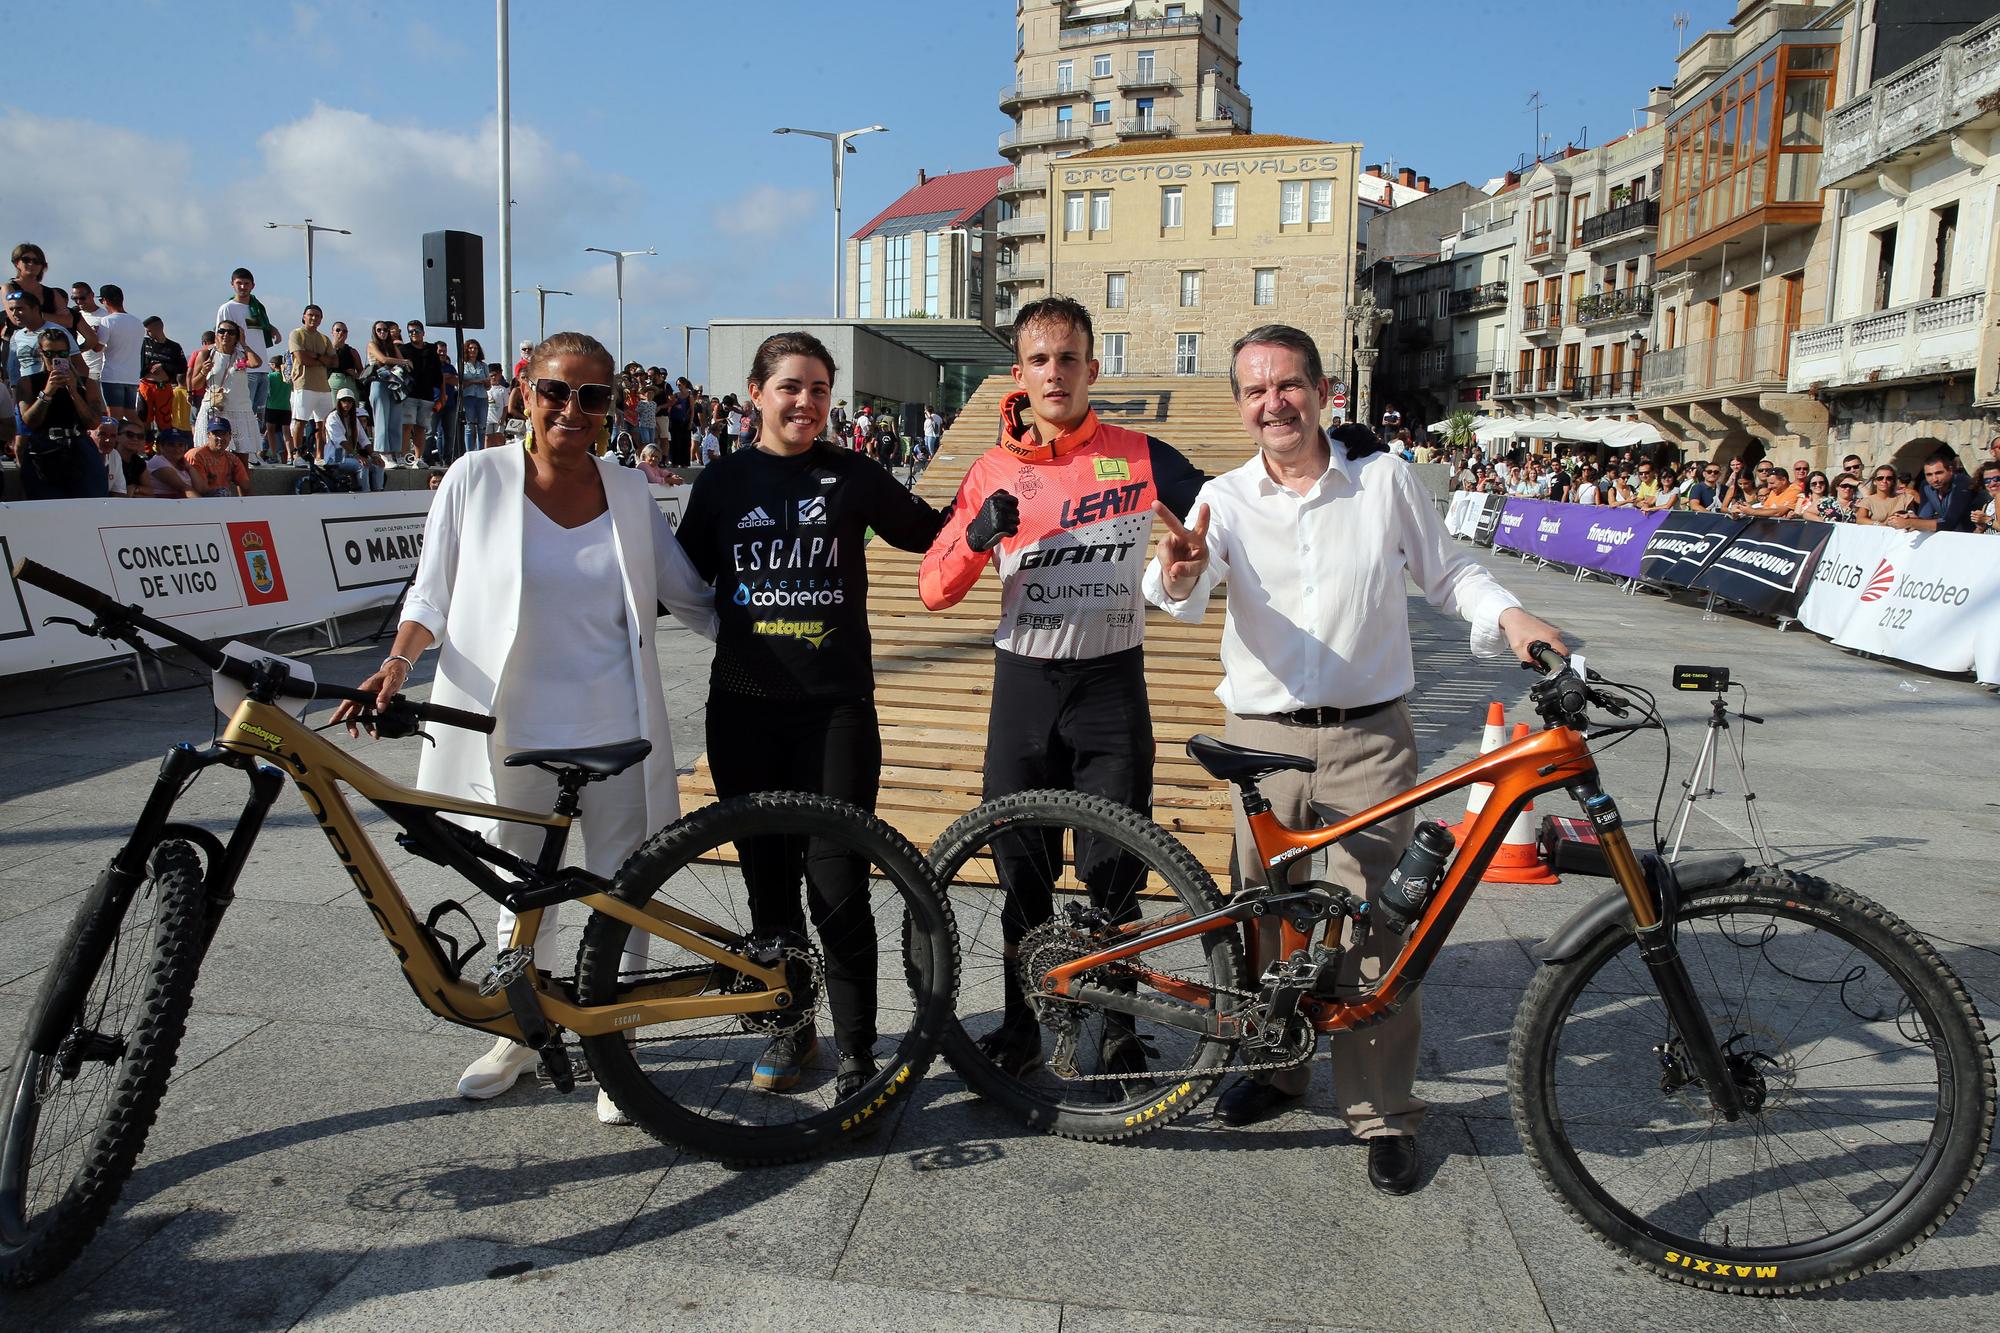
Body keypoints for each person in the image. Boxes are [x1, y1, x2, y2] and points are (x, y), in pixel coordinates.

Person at [1142, 323, 1569, 1194]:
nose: (1275, 402)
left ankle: (1381, 1111)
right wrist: (1180, 573)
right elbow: (1175, 590)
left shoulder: (1383, 480)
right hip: (1262, 744)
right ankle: (1273, 1066)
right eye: (1256, 390)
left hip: (1371, 735)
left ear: (1324, 390)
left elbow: (1448, 575)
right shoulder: (1222, 496)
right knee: (1266, 916)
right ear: (1240, 404)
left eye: (1289, 384)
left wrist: (1516, 620)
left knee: (1383, 921)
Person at [332, 330, 717, 1124]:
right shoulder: (476, 478)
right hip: (509, 725)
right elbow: (429, 598)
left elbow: (688, 592)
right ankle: (521, 1028)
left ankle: (617, 1043)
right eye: (555, 391)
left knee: (622, 888)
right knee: (518, 887)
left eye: (592, 396)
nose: (571, 409)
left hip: (619, 724)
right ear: (524, 391)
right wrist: (397, 666)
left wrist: (787, 635)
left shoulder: (628, 490)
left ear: (615, 407)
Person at [918, 294, 1205, 1081]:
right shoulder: (991, 469)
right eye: (1040, 360)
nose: (1055, 373)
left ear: (1092, 369)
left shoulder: (1136, 453)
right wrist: (979, 538)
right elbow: (932, 587)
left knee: (1114, 870)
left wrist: (1334, 456)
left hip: (1111, 685)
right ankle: (1020, 1024)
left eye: (1069, 358)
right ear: (1020, 372)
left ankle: (1114, 1025)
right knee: (1022, 873)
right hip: (1025, 689)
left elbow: (1222, 510)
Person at [674, 330, 945, 1097]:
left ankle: (858, 1051)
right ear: (756, 391)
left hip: (835, 715)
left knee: (838, 888)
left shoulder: (853, 474)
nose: (807, 401)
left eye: (821, 388)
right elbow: (677, 578)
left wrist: (1004, 488)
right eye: (791, 386)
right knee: (768, 887)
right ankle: (793, 1032)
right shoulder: (722, 482)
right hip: (744, 713)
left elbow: (931, 532)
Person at [14, 323, 110, 499]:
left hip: (78, 445)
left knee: (91, 502)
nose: (56, 358)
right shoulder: (28, 383)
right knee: (47, 507)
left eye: (62, 354)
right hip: (44, 447)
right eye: (50, 354)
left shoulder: (86, 384)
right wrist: (47, 393)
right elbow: (30, 421)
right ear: (41, 353)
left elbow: (93, 421)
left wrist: (73, 391)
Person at [188, 320, 263, 467]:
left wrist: (244, 343)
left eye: (231, 332)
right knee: (213, 458)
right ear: (216, 334)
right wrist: (204, 371)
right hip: (215, 408)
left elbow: (256, 363)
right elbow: (195, 384)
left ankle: (244, 490)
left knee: (242, 461)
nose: (225, 335)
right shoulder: (206, 354)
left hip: (239, 409)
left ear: (237, 336)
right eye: (222, 331)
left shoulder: (241, 355)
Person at [216, 268, 280, 430]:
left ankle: (254, 452)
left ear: (253, 285)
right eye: (239, 283)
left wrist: (272, 329)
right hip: (243, 367)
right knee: (243, 411)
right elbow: (221, 337)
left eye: (246, 284)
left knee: (258, 415)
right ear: (232, 285)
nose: (243, 287)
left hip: (262, 367)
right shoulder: (227, 308)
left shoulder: (256, 308)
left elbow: (255, 327)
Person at [87, 284, 145, 423]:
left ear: (105, 300)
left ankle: (117, 442)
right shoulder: (137, 322)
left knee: (114, 415)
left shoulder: (107, 321)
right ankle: (140, 440)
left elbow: (97, 348)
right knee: (131, 413)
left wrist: (92, 334)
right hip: (131, 376)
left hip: (113, 375)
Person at [289, 304, 337, 463]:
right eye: (311, 315)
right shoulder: (297, 334)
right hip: (304, 384)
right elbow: (302, 359)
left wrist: (315, 356)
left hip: (323, 386)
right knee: (300, 421)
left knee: (323, 424)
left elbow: (334, 362)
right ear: (304, 316)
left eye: (317, 316)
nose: (314, 318)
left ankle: (320, 456)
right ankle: (297, 454)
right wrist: (322, 360)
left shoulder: (324, 339)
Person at [1889, 451, 1977, 533]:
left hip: (1976, 536)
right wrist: (1911, 518)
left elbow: (1949, 523)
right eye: (1929, 475)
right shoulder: (1926, 486)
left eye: (1939, 473)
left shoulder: (1963, 483)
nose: (1934, 479)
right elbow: (1925, 516)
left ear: (1950, 470)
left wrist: (1911, 522)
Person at [397, 320, 443, 466]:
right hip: (410, 394)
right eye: (410, 331)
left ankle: (418, 458)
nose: (414, 334)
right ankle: (404, 458)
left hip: (427, 394)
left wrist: (442, 395)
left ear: (423, 332)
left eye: (416, 330)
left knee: (421, 428)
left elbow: (438, 373)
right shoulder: (404, 349)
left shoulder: (431, 349)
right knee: (407, 426)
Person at [324, 387, 385, 490]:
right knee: (362, 464)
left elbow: (364, 440)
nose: (347, 403)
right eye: (344, 400)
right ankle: (365, 494)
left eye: (350, 401)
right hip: (336, 458)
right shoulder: (332, 417)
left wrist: (374, 455)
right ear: (338, 402)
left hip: (350, 456)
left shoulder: (353, 418)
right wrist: (357, 456)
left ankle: (378, 492)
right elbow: (341, 441)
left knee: (378, 464)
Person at [365, 320, 411, 445]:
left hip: (394, 384)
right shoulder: (372, 344)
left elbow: (403, 361)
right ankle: (383, 453)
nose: (382, 332)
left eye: (385, 330)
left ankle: (395, 451)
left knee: (395, 420)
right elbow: (383, 359)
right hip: (379, 383)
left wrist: (403, 362)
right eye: (379, 330)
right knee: (381, 420)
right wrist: (404, 362)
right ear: (374, 332)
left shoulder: (392, 346)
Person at [186, 416, 250, 496]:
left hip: (223, 502)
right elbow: (200, 489)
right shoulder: (197, 455)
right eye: (216, 434)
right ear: (208, 435)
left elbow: (246, 486)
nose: (220, 438)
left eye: (224, 434)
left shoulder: (232, 459)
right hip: (198, 501)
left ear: (230, 437)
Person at [457, 340, 489, 456]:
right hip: (468, 397)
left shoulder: (483, 365)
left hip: (482, 397)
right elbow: (460, 383)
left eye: (475, 348)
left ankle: (481, 452)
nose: (473, 350)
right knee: (469, 425)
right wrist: (478, 381)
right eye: (470, 348)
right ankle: (469, 452)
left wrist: (475, 381)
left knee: (482, 426)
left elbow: (488, 385)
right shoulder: (462, 364)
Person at [262, 353, 293, 462]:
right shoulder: (288, 378)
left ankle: (274, 455)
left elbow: (266, 391)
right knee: (286, 433)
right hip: (286, 408)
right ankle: (290, 455)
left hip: (272, 407)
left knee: (271, 432)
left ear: (274, 365)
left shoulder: (270, 377)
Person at [141, 316, 189, 385]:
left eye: (149, 331)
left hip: (166, 386)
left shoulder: (174, 347)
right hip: (145, 386)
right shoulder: (144, 343)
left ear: (159, 329)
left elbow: (183, 368)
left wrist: (163, 365)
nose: (147, 334)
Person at [484, 365, 510, 451]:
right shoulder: (485, 389)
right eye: (491, 375)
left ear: (499, 375)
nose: (493, 377)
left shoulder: (503, 390)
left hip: (498, 419)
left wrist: (503, 418)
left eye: (495, 375)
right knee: (487, 439)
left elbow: (506, 406)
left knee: (499, 439)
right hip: (487, 419)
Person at [1972, 461, 1999, 532]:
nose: (1992, 483)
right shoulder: (1987, 506)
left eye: (1997, 479)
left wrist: (1987, 519)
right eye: (1987, 481)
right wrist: (1980, 528)